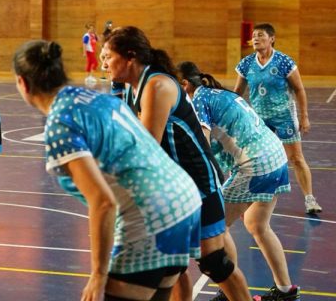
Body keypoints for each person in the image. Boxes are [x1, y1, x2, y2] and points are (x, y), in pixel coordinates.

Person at [13, 40, 202, 301]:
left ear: (22, 83)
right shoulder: (96, 98)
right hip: (184, 201)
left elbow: (103, 203)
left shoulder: (61, 122)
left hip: (150, 214)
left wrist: (99, 274)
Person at [105, 26, 250, 301]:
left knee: (214, 262)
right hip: (173, 187)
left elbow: (144, 146)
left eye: (108, 56)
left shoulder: (157, 85)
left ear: (130, 57)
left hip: (198, 182)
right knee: (173, 267)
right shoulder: (135, 86)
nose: (103, 62)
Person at [177, 62, 299, 301]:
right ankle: (285, 291)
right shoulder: (217, 93)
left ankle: (229, 289)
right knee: (256, 224)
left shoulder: (198, 100)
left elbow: (202, 146)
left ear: (184, 84)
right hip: (275, 156)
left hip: (256, 164)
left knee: (216, 226)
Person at [234, 23, 321, 215]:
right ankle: (250, 199)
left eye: (261, 35)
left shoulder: (284, 62)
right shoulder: (246, 63)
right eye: (254, 36)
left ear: (272, 38)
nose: (256, 39)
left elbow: (299, 89)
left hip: (285, 117)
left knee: (296, 158)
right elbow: (237, 93)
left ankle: (310, 199)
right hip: (259, 120)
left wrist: (304, 116)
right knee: (254, 159)